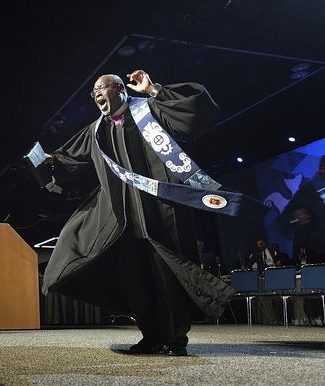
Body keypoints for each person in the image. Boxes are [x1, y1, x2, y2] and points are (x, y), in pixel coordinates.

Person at [40, 70, 234, 357]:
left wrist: (153, 89)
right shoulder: (97, 130)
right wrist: (50, 161)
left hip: (161, 210)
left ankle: (175, 340)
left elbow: (198, 111)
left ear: (119, 88)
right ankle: (150, 336)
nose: (96, 95)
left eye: (101, 88)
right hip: (122, 218)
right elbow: (70, 161)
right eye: (93, 92)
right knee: (134, 279)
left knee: (167, 275)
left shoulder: (149, 111)